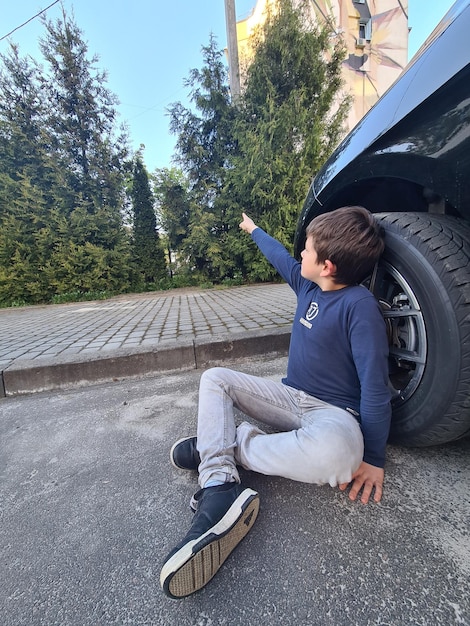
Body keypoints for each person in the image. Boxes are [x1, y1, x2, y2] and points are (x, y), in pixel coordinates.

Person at [160, 206, 391, 599]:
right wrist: (252, 229)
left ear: (328, 266)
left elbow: (375, 388)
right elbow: (280, 255)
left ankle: (221, 445)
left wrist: (373, 459)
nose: (301, 252)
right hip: (288, 397)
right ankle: (218, 484)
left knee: (338, 457)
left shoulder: (359, 307)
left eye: (309, 249)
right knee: (214, 378)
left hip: (332, 413)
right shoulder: (308, 287)